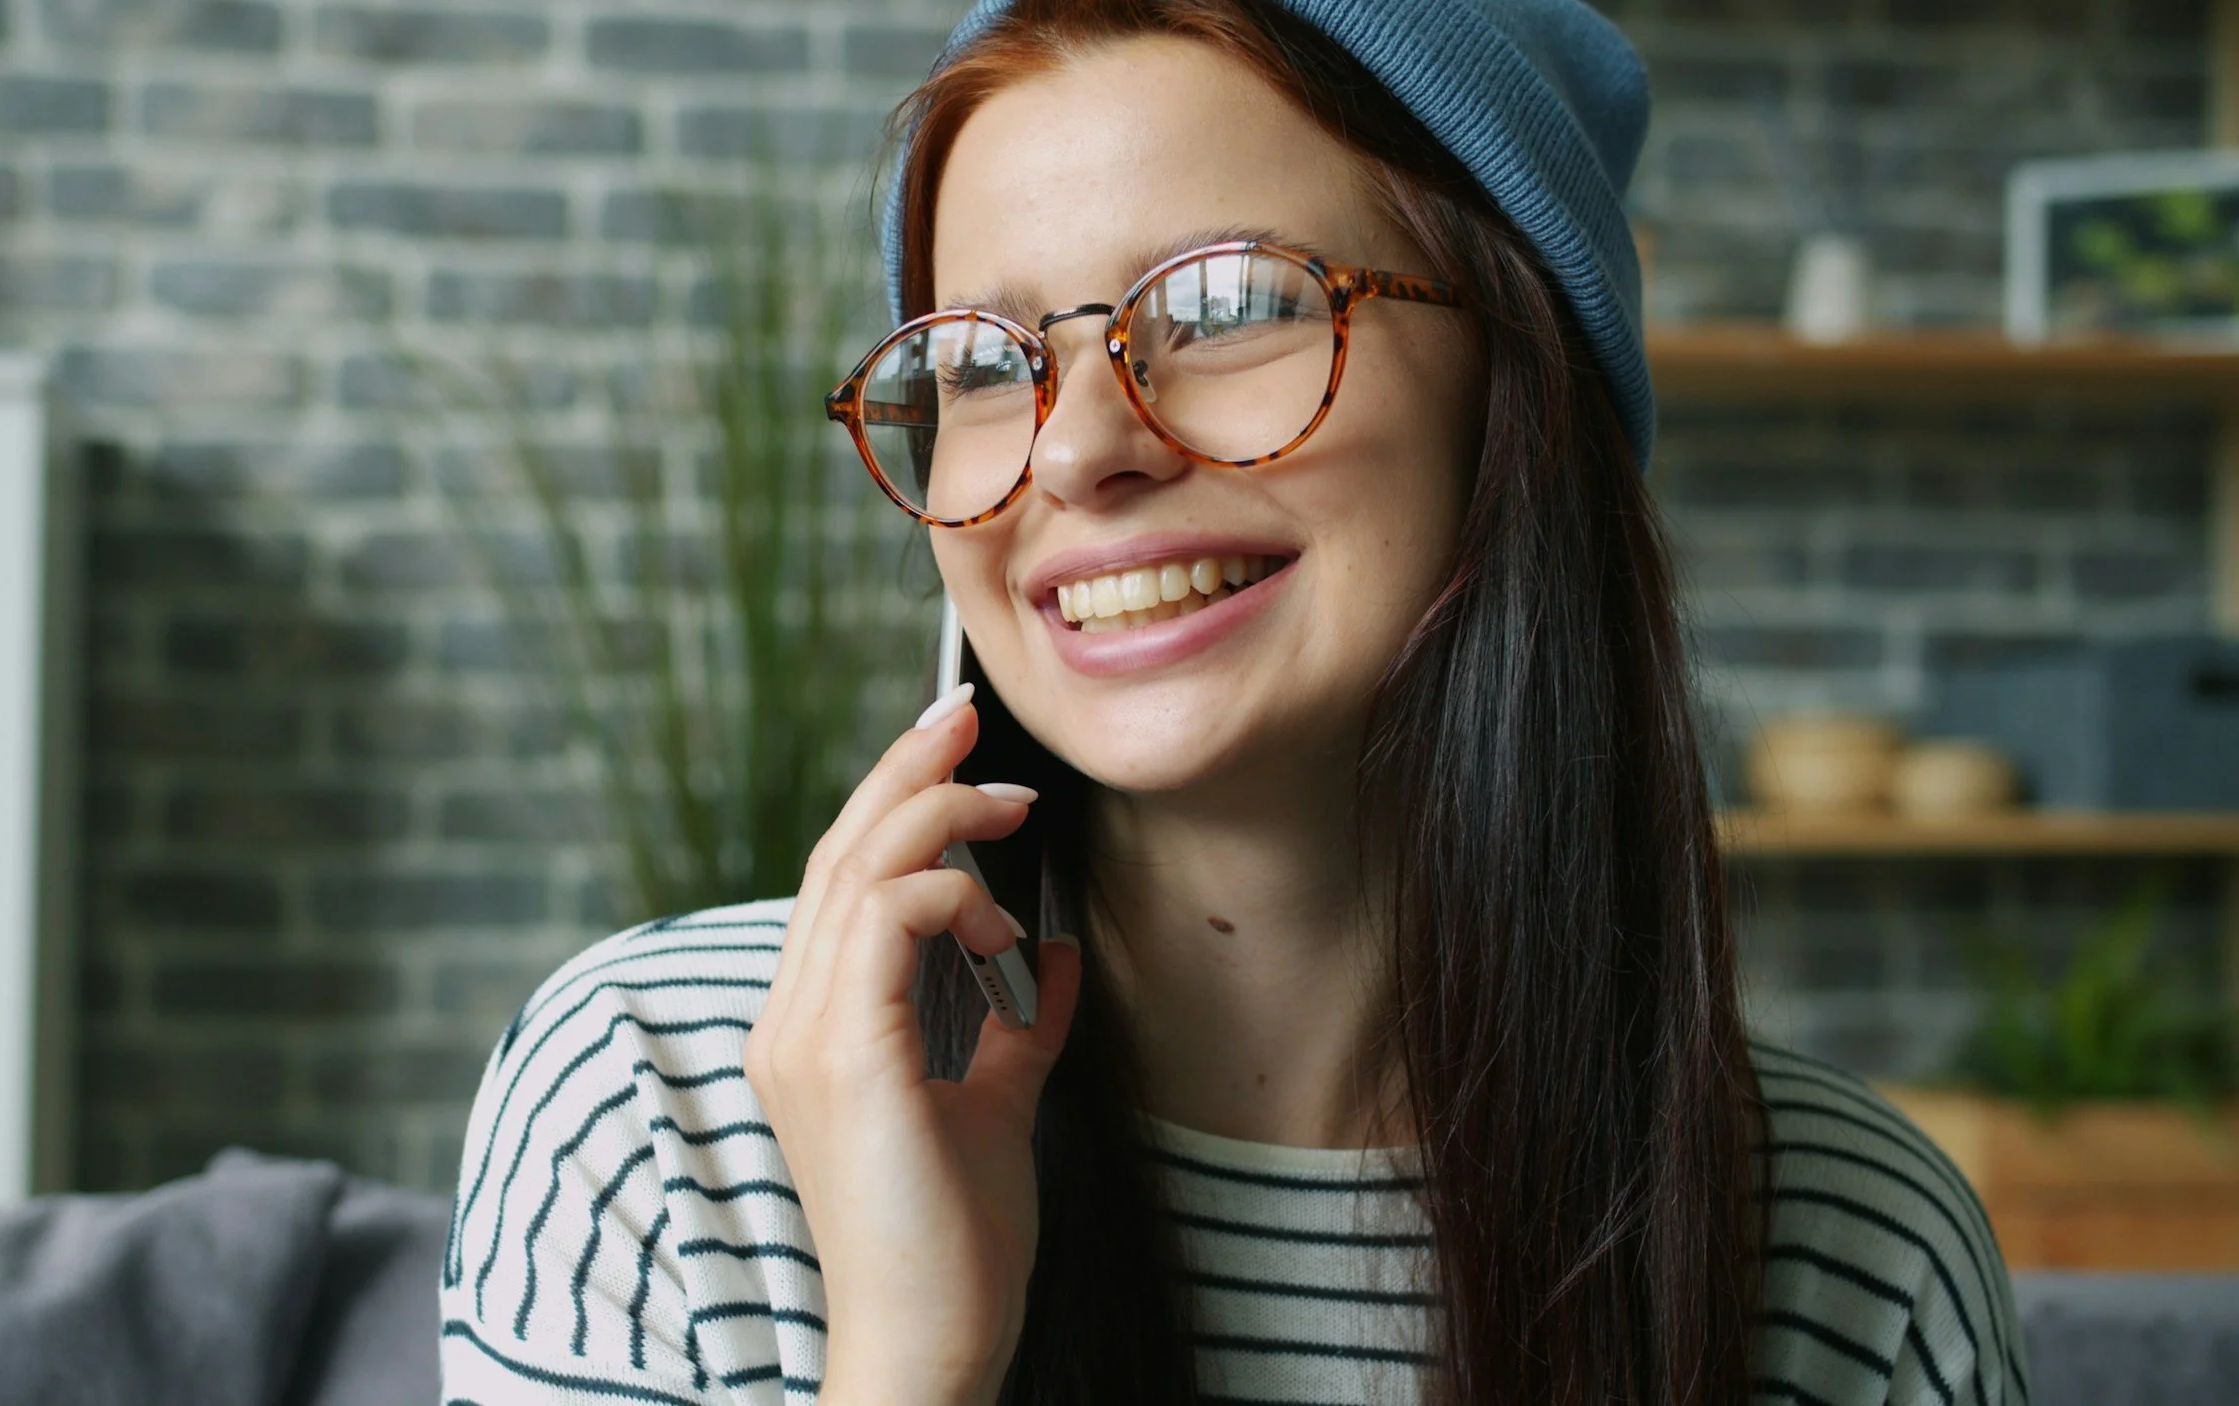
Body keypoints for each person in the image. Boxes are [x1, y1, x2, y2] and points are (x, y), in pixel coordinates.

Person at [439, 1, 2027, 1402]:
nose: (1072, 450)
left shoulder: (1856, 1260)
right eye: (987, 362)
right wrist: (913, 1363)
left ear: (1520, 387)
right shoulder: (661, 1111)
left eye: (1220, 305)